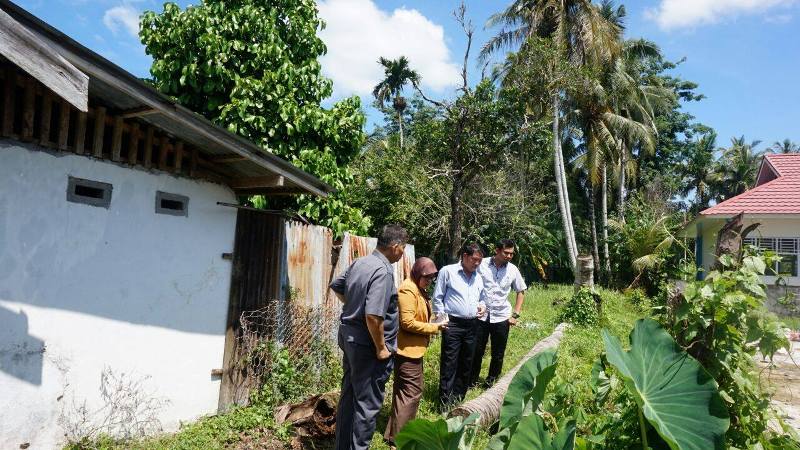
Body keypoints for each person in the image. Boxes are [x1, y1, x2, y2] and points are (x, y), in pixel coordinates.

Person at [329, 224, 408, 450]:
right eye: (402, 249)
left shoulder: (361, 263)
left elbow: (337, 286)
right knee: (367, 405)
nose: (403, 254)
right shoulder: (382, 271)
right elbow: (374, 316)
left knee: (349, 397)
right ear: (394, 247)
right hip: (369, 347)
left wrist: (354, 305)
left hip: (350, 339)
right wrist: (382, 347)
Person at [383, 257, 446, 446]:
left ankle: (393, 435)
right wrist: (435, 328)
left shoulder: (417, 289)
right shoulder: (407, 289)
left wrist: (434, 320)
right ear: (417, 273)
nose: (429, 281)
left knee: (403, 393)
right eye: (426, 277)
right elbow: (407, 323)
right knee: (412, 393)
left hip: (413, 350)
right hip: (406, 351)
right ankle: (401, 440)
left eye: (432, 278)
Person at [432, 242, 486, 409]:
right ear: (464, 256)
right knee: (450, 362)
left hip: (472, 324)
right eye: (474, 260)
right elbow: (437, 298)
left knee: (466, 361)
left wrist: (482, 306)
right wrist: (442, 319)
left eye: (479, 261)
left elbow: (482, 297)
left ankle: (458, 398)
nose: (476, 263)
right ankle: (444, 402)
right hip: (453, 323)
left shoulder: (479, 276)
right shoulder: (448, 272)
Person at [470, 239, 528, 388]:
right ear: (497, 250)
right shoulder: (481, 264)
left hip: (502, 316)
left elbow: (521, 291)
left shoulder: (513, 270)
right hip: (480, 315)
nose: (509, 256)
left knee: (498, 353)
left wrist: (515, 315)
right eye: (506, 253)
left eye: (511, 254)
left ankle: (491, 382)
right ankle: (471, 381)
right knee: (477, 350)